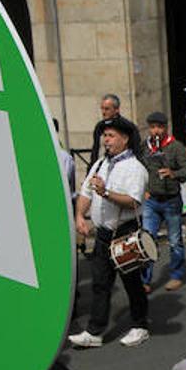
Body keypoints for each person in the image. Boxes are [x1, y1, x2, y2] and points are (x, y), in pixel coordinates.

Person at [69, 119, 150, 349]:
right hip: (104, 233)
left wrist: (105, 192)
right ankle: (95, 331)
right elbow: (85, 192)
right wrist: (79, 217)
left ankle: (140, 325)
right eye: (104, 135)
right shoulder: (99, 164)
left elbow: (133, 201)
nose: (106, 140)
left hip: (125, 231)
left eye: (111, 136)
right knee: (100, 282)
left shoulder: (135, 168)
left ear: (125, 139)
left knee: (131, 281)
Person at [140, 111, 186, 293]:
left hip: (171, 200)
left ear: (165, 128)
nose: (156, 131)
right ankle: (145, 280)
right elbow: (139, 169)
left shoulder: (175, 147)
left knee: (175, 240)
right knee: (147, 239)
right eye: (152, 127)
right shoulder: (144, 147)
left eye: (159, 127)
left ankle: (176, 275)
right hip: (151, 200)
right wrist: (143, 190)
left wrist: (173, 173)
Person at [88, 93, 123, 164]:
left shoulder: (125, 126)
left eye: (107, 109)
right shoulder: (99, 126)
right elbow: (95, 150)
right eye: (102, 109)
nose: (103, 112)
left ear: (116, 110)